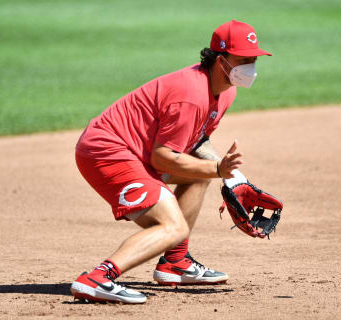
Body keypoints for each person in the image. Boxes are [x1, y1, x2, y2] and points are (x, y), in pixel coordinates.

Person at [70, 19, 272, 304]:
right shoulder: (190, 94)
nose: (250, 66)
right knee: (172, 226)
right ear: (220, 59)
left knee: (197, 176)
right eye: (242, 59)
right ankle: (97, 278)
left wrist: (233, 177)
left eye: (253, 59)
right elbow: (163, 158)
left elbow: (196, 142)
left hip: (135, 153)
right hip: (107, 151)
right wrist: (217, 169)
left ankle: (175, 263)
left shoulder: (227, 91)